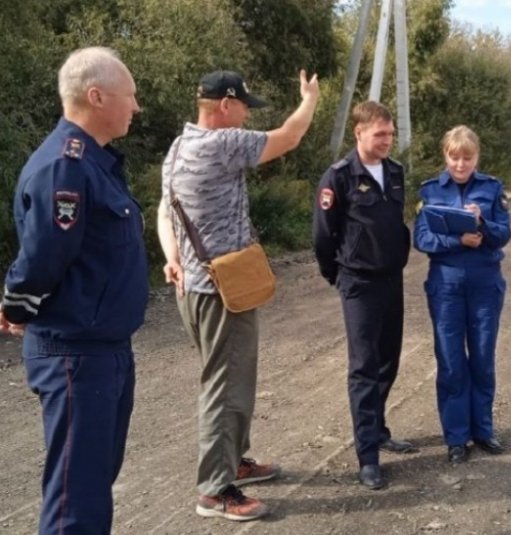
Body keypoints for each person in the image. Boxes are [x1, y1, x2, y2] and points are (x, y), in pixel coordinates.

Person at [156, 69, 319, 521]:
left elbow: (164, 213)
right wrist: (309, 99)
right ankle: (215, 490)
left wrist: (172, 257)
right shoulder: (220, 143)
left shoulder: (179, 147)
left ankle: (236, 459)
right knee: (225, 387)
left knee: (233, 380)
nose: (248, 113)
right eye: (245, 105)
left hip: (196, 287)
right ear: (224, 105)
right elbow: (288, 137)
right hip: (220, 292)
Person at [0, 46, 146, 534]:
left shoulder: (95, 164)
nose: (137, 106)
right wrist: (16, 305)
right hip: (74, 351)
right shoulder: (65, 166)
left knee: (91, 486)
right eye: (130, 95)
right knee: (74, 503)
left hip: (103, 349)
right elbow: (43, 255)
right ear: (96, 95)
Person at [313, 101, 414, 490]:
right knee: (364, 368)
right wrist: (336, 276)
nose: (387, 140)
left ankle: (380, 429)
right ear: (360, 133)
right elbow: (323, 235)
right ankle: (367, 456)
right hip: (358, 282)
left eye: (390, 134)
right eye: (380, 134)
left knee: (389, 359)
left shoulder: (395, 172)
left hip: (391, 279)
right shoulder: (339, 176)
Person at [413, 126, 511, 464]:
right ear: (446, 155)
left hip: (485, 283)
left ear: (476, 157)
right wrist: (457, 241)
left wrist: (482, 224)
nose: (460, 164)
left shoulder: (492, 188)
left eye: (467, 157)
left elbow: (505, 234)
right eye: (454, 157)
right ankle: (456, 438)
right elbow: (422, 239)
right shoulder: (430, 190)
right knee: (452, 362)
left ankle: (483, 431)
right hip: (447, 286)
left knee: (483, 358)